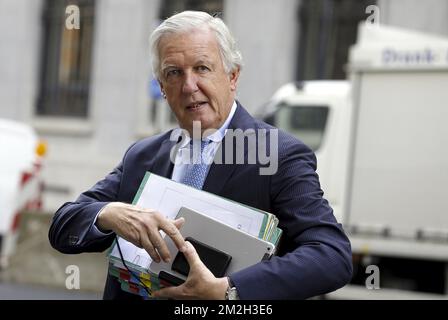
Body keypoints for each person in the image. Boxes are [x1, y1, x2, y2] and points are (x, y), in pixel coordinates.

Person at [49, 11, 352, 300]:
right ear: (162, 89)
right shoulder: (142, 156)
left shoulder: (278, 156)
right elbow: (63, 226)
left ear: (232, 76)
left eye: (202, 68)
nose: (189, 86)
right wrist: (110, 214)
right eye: (174, 73)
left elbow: (331, 256)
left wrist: (229, 290)